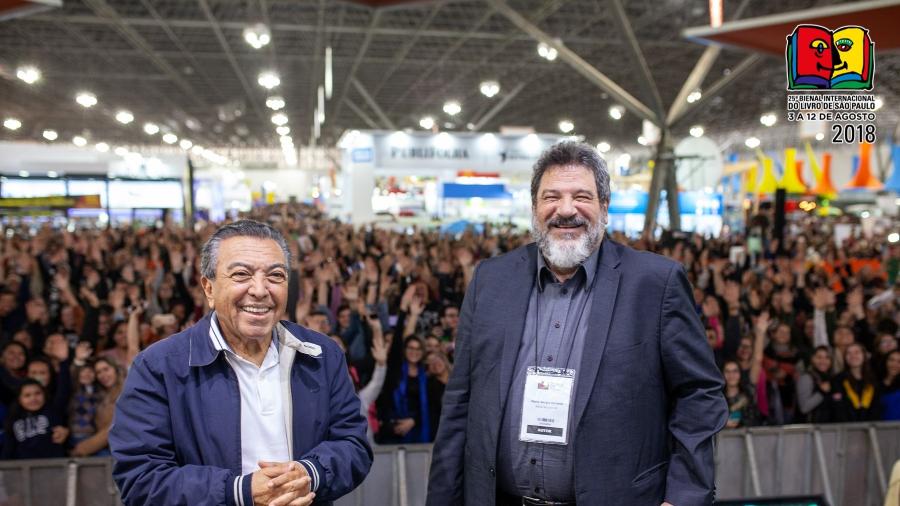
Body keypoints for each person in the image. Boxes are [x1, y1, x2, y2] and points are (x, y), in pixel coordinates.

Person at [427, 142, 727, 506]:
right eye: (551, 196)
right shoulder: (491, 279)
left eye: (581, 196)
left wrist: (683, 496)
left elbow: (700, 394)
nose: (565, 210)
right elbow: (460, 402)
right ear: (535, 208)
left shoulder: (655, 283)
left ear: (604, 205)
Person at [109, 220, 372, 506]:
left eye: (275, 276)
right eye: (241, 274)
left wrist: (312, 473)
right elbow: (141, 479)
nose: (260, 290)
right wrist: (239, 491)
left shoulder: (321, 355)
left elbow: (354, 444)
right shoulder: (159, 367)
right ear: (208, 288)